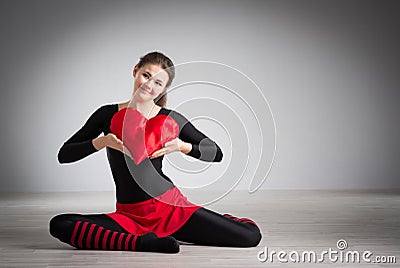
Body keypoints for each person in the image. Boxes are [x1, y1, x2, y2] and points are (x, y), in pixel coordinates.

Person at [49, 51, 262, 254]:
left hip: (172, 211)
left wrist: (180, 146)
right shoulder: (107, 115)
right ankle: (141, 242)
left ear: (163, 89)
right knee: (59, 224)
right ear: (135, 71)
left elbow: (216, 153)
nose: (149, 85)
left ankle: (213, 221)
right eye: (146, 75)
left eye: (157, 83)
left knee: (251, 236)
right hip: (129, 215)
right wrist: (102, 141)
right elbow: (64, 154)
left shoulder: (170, 118)